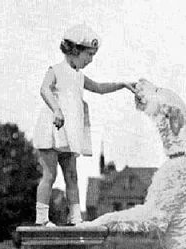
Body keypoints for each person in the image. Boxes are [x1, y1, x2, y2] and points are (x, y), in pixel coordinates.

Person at [33, 24, 136, 226]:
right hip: (52, 130)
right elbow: (44, 89)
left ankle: (76, 218)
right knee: (50, 174)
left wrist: (122, 84)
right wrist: (56, 109)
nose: (90, 60)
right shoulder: (55, 70)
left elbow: (99, 88)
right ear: (75, 50)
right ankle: (42, 218)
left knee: (72, 176)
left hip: (69, 135)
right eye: (88, 54)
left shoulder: (79, 76)